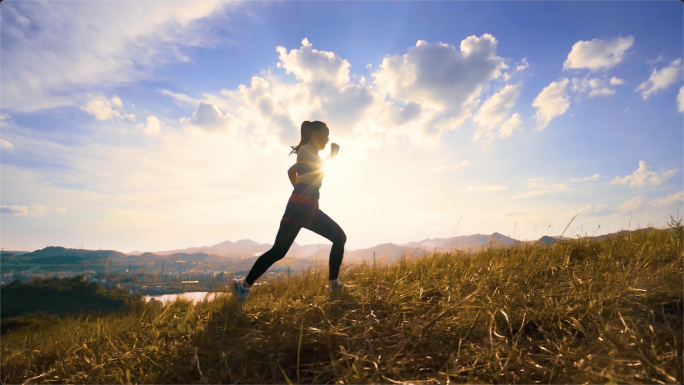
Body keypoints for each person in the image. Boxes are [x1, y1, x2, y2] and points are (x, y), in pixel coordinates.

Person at [233, 121, 348, 303]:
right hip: (302, 209)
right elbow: (317, 171)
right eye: (325, 134)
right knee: (337, 238)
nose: (327, 139)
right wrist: (332, 157)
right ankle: (333, 284)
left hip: (304, 208)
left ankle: (243, 286)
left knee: (280, 250)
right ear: (315, 133)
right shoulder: (306, 150)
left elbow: (291, 171)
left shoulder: (309, 153)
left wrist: (300, 190)